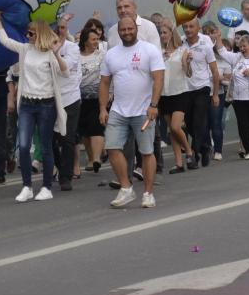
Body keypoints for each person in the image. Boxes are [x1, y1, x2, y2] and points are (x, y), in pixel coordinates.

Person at [0, 12, 68, 202]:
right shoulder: (25, 50)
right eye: (27, 33)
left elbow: (64, 72)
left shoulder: (50, 54)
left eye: (31, 34)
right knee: (24, 146)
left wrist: (56, 53)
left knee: (45, 148)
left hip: (46, 105)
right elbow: (5, 41)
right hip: (26, 103)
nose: (28, 37)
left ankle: (46, 187)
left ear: (40, 34)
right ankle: (27, 186)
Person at [99, 16, 164, 208]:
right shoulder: (111, 54)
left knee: (146, 152)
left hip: (143, 110)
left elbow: (158, 78)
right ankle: (126, 188)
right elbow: (104, 83)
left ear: (135, 28)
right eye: (123, 30)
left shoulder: (149, 50)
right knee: (112, 147)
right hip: (119, 110)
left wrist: (154, 105)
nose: (126, 32)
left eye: (130, 29)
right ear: (118, 32)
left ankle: (148, 193)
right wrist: (103, 108)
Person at [215, 33, 249, 159]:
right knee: (243, 125)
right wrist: (217, 38)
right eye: (240, 47)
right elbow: (222, 51)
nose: (242, 49)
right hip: (239, 99)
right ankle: (248, 151)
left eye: (244, 46)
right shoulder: (237, 57)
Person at [180, 18, 219, 167]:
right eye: (185, 27)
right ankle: (205, 146)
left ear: (198, 28)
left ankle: (194, 155)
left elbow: (215, 71)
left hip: (202, 88)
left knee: (198, 122)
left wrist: (215, 94)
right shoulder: (181, 44)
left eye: (191, 26)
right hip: (185, 89)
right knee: (189, 124)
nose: (188, 29)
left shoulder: (205, 46)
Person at [157, 19, 192, 173]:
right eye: (161, 33)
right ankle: (178, 162)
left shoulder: (182, 50)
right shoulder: (158, 52)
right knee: (172, 131)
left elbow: (189, 73)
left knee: (175, 127)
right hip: (164, 94)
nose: (162, 35)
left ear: (172, 33)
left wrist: (187, 62)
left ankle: (189, 151)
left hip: (180, 92)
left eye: (165, 32)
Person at [52, 15, 82, 191]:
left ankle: (66, 177)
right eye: (56, 28)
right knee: (50, 138)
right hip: (51, 98)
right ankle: (61, 166)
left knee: (67, 138)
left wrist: (56, 53)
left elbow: (65, 69)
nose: (59, 31)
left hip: (70, 98)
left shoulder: (72, 48)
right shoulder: (44, 49)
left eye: (62, 28)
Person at [77, 22, 106, 175]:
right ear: (85, 40)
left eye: (97, 39)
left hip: (97, 97)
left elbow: (107, 76)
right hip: (80, 98)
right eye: (93, 39)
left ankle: (96, 158)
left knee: (96, 127)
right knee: (85, 131)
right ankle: (90, 158)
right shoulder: (76, 55)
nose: (96, 42)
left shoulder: (101, 55)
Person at [201, 20, 230, 161]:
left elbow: (228, 77)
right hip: (202, 93)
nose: (209, 35)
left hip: (217, 93)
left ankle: (218, 150)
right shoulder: (201, 50)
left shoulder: (221, 54)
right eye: (206, 33)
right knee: (204, 124)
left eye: (212, 32)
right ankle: (207, 148)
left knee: (216, 123)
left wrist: (220, 79)